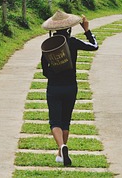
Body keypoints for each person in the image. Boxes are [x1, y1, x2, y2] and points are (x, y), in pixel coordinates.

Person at [40, 10, 98, 166]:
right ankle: (61, 151)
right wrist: (86, 29)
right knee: (65, 122)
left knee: (55, 122)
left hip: (54, 87)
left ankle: (61, 147)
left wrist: (53, 75)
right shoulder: (72, 42)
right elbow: (94, 46)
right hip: (71, 86)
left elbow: (45, 70)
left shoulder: (47, 46)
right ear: (69, 28)